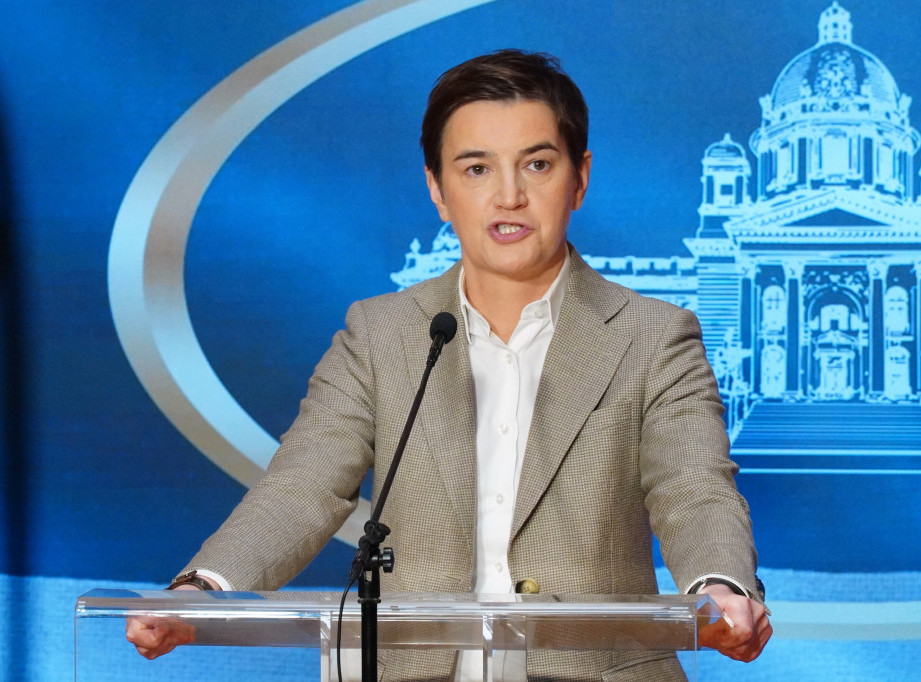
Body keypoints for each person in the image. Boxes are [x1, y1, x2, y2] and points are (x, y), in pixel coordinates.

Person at [127, 49, 772, 679]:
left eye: (537, 164)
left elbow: (695, 489)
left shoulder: (654, 337)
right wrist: (203, 588)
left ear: (579, 178)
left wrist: (719, 586)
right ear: (438, 190)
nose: (510, 196)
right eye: (477, 169)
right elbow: (303, 487)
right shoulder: (381, 334)